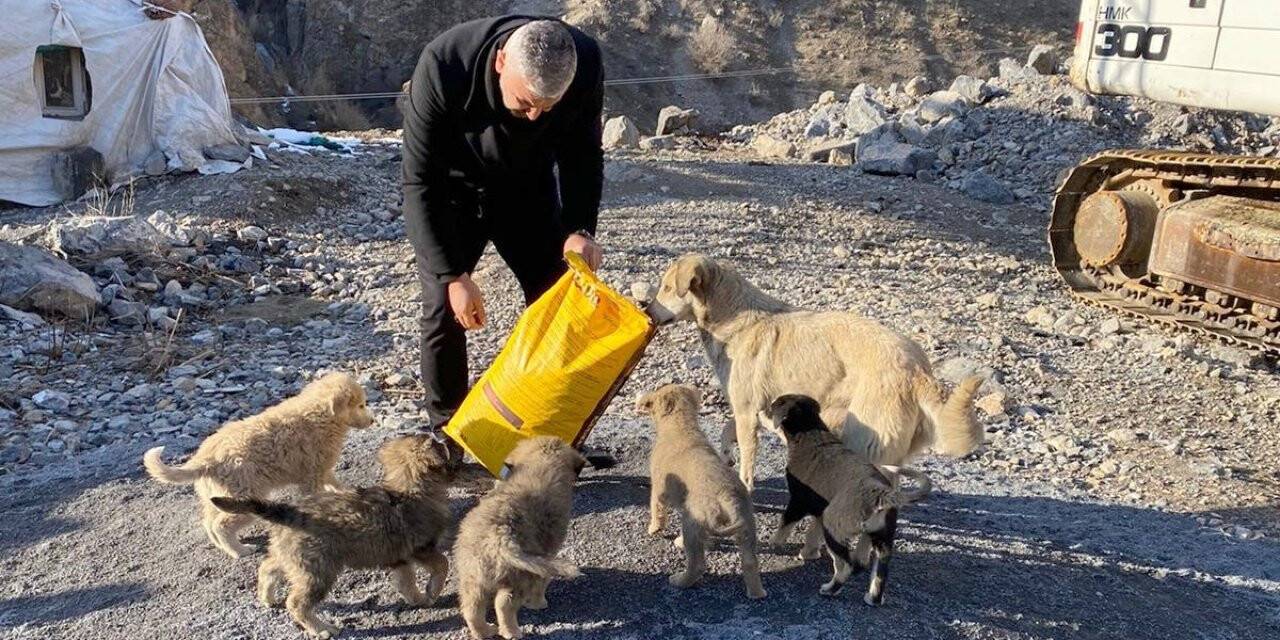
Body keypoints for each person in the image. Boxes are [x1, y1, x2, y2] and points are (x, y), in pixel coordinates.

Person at [401, 16, 605, 452]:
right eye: (526, 102)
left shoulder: (584, 61)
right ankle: (450, 430)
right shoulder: (444, 65)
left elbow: (582, 154)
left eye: (547, 107)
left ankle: (552, 427)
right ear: (499, 62)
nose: (534, 115)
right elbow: (420, 183)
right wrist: (453, 275)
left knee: (557, 299)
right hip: (453, 190)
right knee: (442, 308)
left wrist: (579, 228)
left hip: (526, 190)